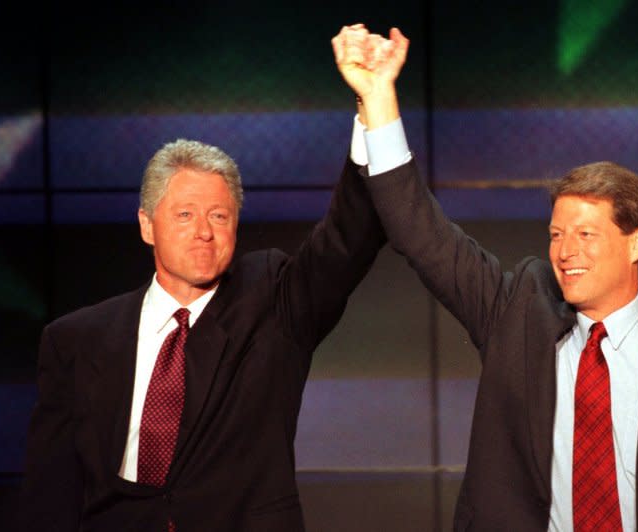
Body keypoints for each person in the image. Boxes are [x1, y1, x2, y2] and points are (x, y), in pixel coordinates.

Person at [332, 24, 638, 531]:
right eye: (555, 234)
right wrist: (376, 96)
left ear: (637, 242)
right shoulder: (516, 313)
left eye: (586, 235)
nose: (565, 252)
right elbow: (421, 233)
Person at [19, 133, 386, 531]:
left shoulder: (271, 301)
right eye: (185, 214)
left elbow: (344, 244)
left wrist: (374, 110)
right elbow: (50, 496)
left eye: (218, 216)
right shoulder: (76, 339)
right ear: (146, 225)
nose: (204, 232)